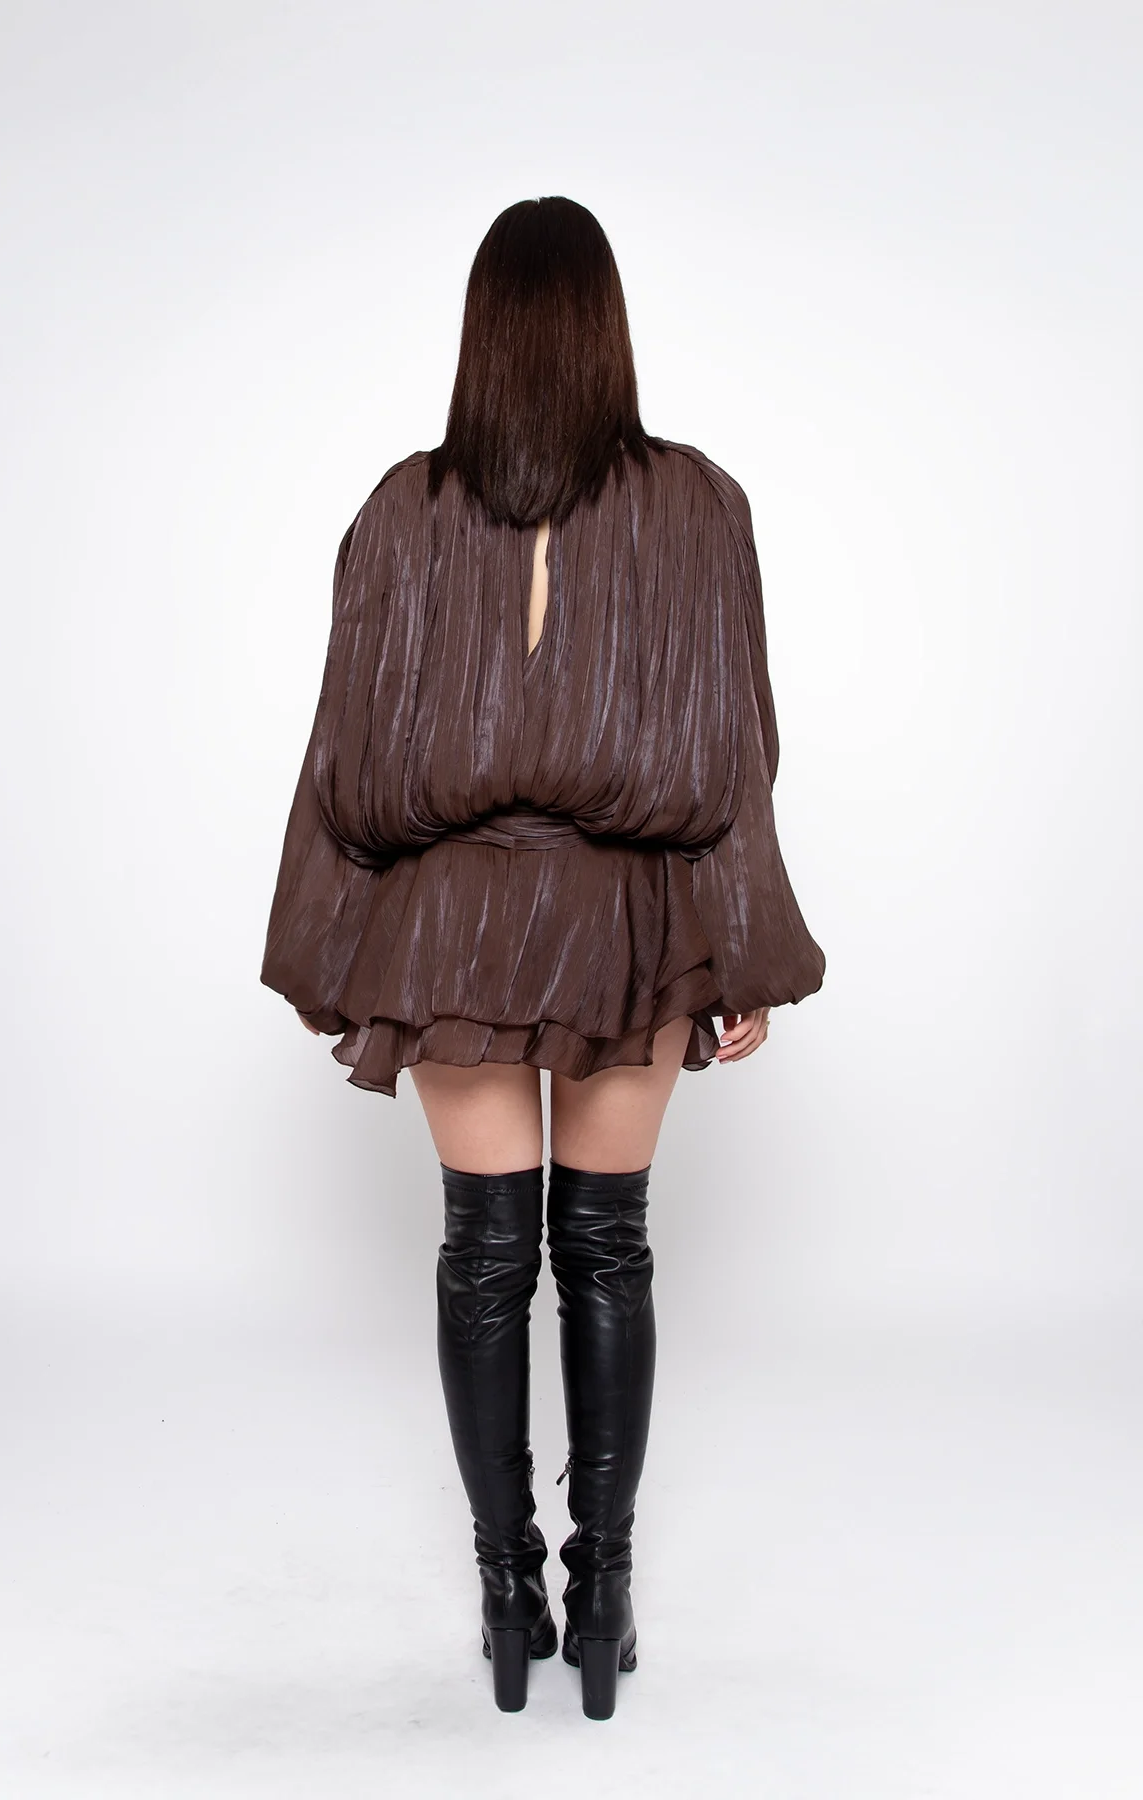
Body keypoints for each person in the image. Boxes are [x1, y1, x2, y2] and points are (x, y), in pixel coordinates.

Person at [260, 195, 826, 1719]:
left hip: (452, 927)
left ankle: (507, 1592)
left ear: (483, 334)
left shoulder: (402, 512)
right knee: (608, 1247)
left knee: (484, 1255)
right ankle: (605, 1595)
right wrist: (742, 952)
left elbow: (347, 759)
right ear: (604, 331)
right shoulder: (699, 506)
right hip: (625, 924)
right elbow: (732, 751)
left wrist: (332, 951)